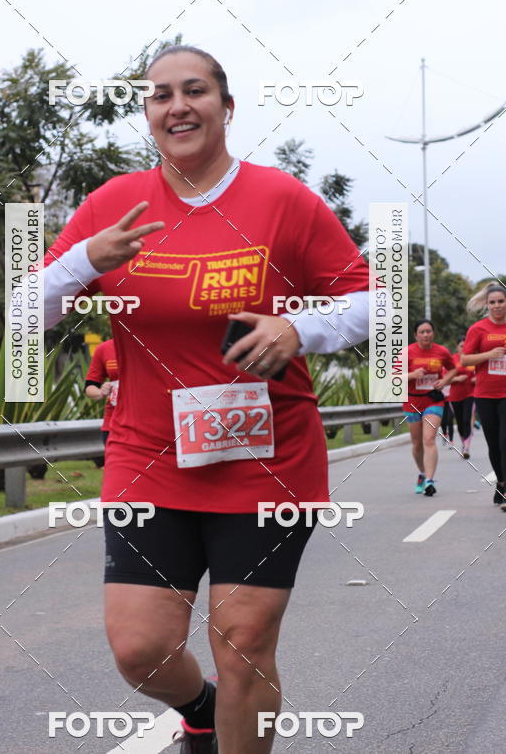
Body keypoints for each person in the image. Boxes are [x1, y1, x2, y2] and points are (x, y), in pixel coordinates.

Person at [40, 45, 370, 753]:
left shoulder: (282, 199)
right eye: (160, 95)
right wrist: (81, 262)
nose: (177, 105)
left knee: (242, 638)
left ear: (226, 106)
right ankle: (197, 707)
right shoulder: (110, 206)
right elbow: (20, 320)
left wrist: (299, 327)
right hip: (148, 454)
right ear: (148, 114)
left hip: (267, 455)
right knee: (140, 649)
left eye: (194, 91)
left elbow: (380, 303)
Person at [461, 283, 506, 508]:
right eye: (493, 302)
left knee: (505, 441)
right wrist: (489, 354)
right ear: (487, 304)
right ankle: (501, 482)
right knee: (494, 444)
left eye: (501, 301)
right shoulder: (478, 329)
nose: (497, 306)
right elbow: (465, 360)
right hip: (486, 394)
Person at [404, 319, 457, 496]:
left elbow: (453, 369)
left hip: (433, 400)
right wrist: (412, 374)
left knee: (429, 439)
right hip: (411, 401)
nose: (426, 334)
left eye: (429, 331)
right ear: (415, 335)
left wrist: (445, 380)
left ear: (433, 333)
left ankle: (429, 480)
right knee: (417, 443)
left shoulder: (441, 351)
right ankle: (422, 473)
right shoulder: (407, 352)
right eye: (422, 332)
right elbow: (393, 377)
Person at [85, 337, 119, 468]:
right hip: (113, 426)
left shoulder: (151, 344)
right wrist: (101, 392)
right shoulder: (104, 349)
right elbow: (89, 387)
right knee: (119, 475)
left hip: (147, 425)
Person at [447, 335, 476, 458]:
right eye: (461, 346)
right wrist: (457, 378)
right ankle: (464, 443)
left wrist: (477, 378)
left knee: (466, 420)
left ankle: (467, 448)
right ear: (457, 347)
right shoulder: (452, 360)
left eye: (466, 346)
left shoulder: (473, 359)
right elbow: (445, 379)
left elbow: (481, 372)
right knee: (459, 422)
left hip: (471, 394)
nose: (463, 348)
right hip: (455, 396)